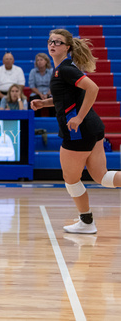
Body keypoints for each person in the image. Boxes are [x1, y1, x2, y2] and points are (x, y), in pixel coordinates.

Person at [31, 28, 121, 234]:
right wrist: (45, 103)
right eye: (50, 41)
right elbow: (67, 97)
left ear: (68, 47)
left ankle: (87, 222)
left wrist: (79, 118)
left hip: (78, 130)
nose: (53, 44)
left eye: (58, 42)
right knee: (102, 177)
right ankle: (86, 221)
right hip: (93, 128)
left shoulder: (65, 69)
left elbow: (93, 88)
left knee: (71, 179)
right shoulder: (62, 69)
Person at [28, 52, 54, 117]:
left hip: (49, 93)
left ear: (46, 61)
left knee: (54, 100)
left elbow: (54, 85)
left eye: (41, 60)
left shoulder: (51, 71)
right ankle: (34, 119)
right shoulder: (33, 71)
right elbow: (32, 86)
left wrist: (47, 94)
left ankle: (53, 120)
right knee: (33, 100)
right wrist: (40, 94)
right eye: (38, 60)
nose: (39, 62)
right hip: (37, 93)